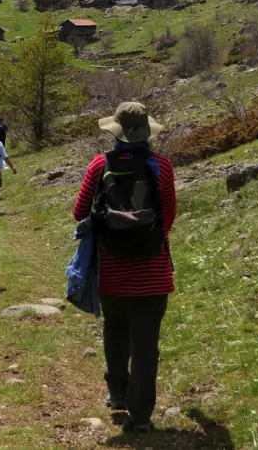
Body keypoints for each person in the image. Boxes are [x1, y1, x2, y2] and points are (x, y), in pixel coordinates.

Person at [72, 102, 176, 434]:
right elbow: (168, 215)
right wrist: (145, 237)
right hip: (153, 273)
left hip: (112, 271)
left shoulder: (99, 164)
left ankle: (117, 392)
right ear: (147, 132)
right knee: (146, 344)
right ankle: (141, 416)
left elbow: (79, 212)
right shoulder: (162, 166)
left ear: (116, 132)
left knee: (115, 329)